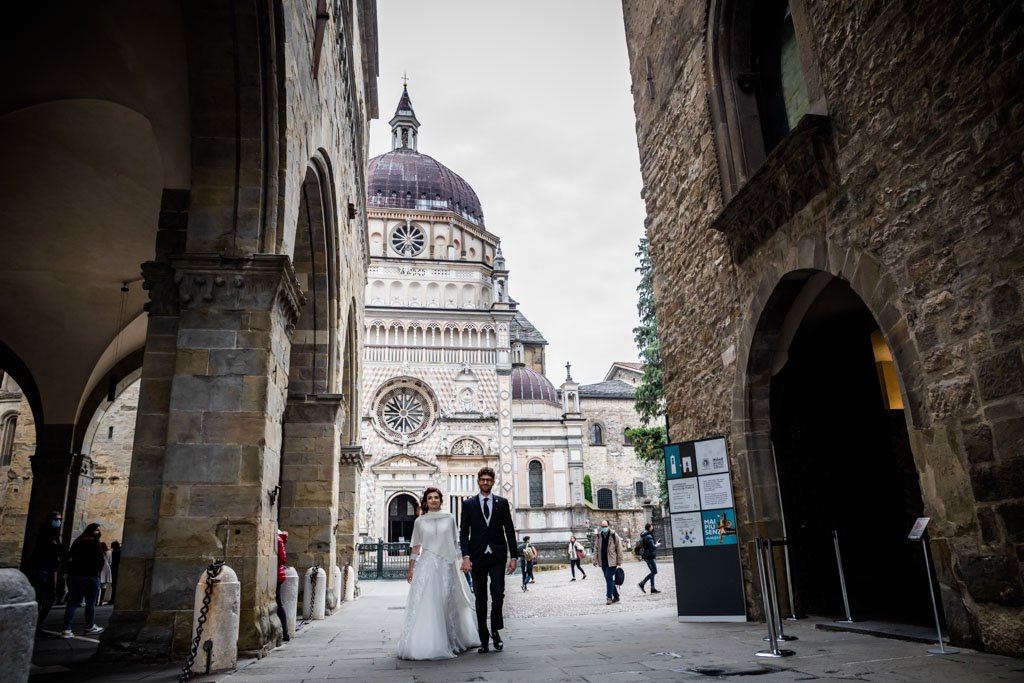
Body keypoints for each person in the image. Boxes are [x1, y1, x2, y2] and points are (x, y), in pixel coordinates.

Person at [397, 487, 479, 660]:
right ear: (425, 501)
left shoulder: (449, 518)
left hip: (446, 564)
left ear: (441, 500)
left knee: (447, 600)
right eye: (430, 498)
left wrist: (461, 562)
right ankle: (427, 642)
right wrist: (411, 568)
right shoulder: (419, 521)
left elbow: (455, 544)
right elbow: (416, 547)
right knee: (427, 602)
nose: (433, 500)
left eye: (436, 497)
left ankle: (453, 638)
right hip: (427, 565)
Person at [459, 466, 518, 653]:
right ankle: (484, 638)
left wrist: (514, 556)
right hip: (477, 557)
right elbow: (463, 533)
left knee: (498, 592)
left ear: (493, 482)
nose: (485, 482)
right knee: (481, 598)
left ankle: (495, 630)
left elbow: (509, 530)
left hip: (498, 555)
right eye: (482, 479)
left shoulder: (502, 503)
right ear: (478, 481)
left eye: (489, 480)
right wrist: (466, 557)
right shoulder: (468, 504)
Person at [61, 523, 106, 637]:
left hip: (74, 576)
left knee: (72, 603)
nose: (98, 532)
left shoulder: (77, 542)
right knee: (90, 603)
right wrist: (96, 572)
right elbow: (100, 561)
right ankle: (90, 626)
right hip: (89, 576)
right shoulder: (95, 544)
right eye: (97, 530)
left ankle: (66, 629)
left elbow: (69, 557)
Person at [27, 511, 65, 637]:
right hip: (41, 569)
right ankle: (34, 625)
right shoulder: (46, 532)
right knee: (41, 598)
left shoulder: (53, 534)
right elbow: (52, 550)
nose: (58, 521)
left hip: (48, 570)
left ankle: (37, 625)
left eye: (60, 519)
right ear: (49, 520)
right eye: (56, 519)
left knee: (49, 598)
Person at [592, 520, 623, 605]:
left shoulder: (614, 535)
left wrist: (619, 561)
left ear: (609, 526)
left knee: (609, 577)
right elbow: (596, 549)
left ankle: (609, 597)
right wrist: (595, 560)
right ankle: (616, 597)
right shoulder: (599, 536)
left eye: (605, 526)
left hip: (612, 561)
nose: (604, 528)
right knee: (608, 579)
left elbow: (619, 549)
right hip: (603, 561)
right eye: (603, 526)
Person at [637, 523, 661, 594]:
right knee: (654, 571)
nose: (653, 527)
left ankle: (652, 588)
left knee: (652, 571)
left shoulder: (644, 535)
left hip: (646, 556)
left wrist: (655, 543)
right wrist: (657, 544)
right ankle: (642, 583)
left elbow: (649, 545)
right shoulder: (648, 536)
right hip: (649, 556)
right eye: (652, 526)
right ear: (649, 527)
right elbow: (652, 547)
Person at [276, 529, 290, 642]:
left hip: (277, 574)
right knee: (278, 603)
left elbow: (282, 558)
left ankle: (285, 632)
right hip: (277, 573)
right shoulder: (278, 538)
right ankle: (285, 632)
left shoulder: (277, 539)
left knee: (278, 603)